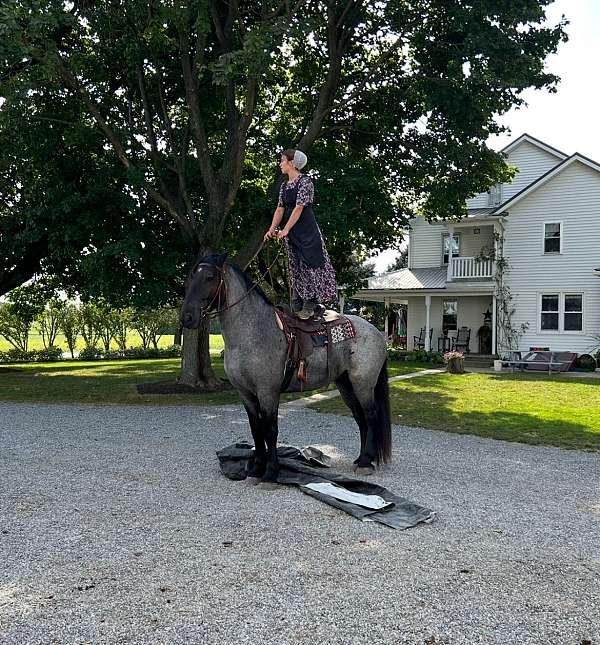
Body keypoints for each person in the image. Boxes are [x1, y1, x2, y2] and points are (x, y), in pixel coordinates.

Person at [264, 148, 337, 320]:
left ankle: (312, 302)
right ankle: (298, 300)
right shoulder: (284, 186)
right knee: (294, 265)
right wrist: (271, 229)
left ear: (291, 163)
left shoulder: (305, 182)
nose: (280, 164)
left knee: (309, 264)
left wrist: (286, 229)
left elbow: (299, 208)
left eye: (282, 160)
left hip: (307, 231)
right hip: (293, 232)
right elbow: (280, 208)